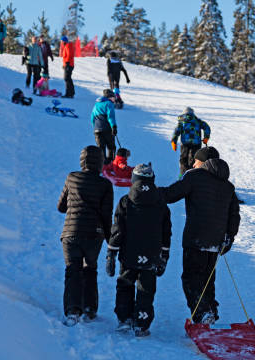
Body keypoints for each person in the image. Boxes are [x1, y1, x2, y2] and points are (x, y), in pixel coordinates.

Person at [160, 146, 240, 324]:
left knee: (191, 278)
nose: (193, 164)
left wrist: (148, 189)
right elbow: (234, 214)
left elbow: (171, 194)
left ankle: (203, 313)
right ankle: (210, 310)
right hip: (217, 240)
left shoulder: (193, 177)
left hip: (196, 238)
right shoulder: (227, 185)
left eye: (196, 161)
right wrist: (229, 237)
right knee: (207, 279)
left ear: (203, 162)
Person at [105, 163, 172, 337]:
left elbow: (117, 230)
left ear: (133, 180)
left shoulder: (126, 202)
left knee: (125, 285)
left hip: (129, 255)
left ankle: (124, 319)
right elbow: (166, 233)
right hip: (151, 257)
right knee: (146, 290)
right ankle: (142, 324)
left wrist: (111, 253)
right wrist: (164, 255)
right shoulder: (161, 204)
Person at [57, 145, 114, 326]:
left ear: (82, 161)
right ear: (100, 163)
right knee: (90, 268)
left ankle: (73, 310)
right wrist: (110, 239)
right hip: (93, 235)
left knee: (72, 269)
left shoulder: (72, 178)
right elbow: (106, 215)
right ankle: (90, 308)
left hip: (70, 233)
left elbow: (61, 207)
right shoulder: (105, 185)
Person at [171, 107, 211, 177]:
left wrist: (174, 141)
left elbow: (176, 131)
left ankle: (183, 174)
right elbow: (206, 127)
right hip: (196, 143)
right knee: (194, 159)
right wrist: (206, 137)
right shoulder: (197, 121)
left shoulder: (182, 121)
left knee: (183, 158)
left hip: (185, 143)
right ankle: (192, 175)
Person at [91, 89, 118, 164]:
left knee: (101, 148)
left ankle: (102, 165)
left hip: (97, 130)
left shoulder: (96, 105)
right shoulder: (109, 103)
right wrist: (114, 127)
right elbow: (111, 116)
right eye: (113, 97)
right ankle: (111, 163)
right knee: (111, 146)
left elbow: (92, 118)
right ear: (109, 97)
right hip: (107, 129)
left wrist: (96, 127)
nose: (114, 99)